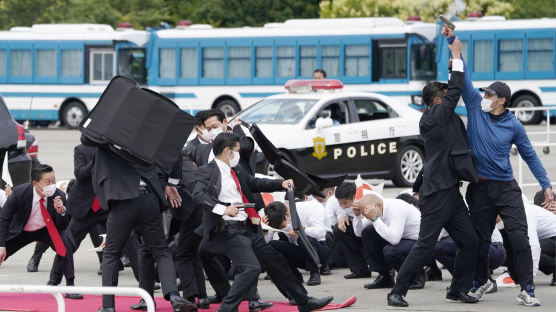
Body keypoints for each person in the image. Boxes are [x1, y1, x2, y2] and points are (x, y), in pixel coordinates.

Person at [442, 25, 554, 306]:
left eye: (491, 96)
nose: (485, 98)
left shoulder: (514, 124)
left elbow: (529, 155)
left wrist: (546, 185)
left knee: (518, 238)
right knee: (479, 241)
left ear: (502, 101)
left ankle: (527, 289)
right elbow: (463, 75)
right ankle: (481, 282)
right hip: (479, 188)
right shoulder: (474, 107)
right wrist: (452, 41)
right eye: (485, 94)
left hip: (506, 189)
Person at [192, 132, 333, 312]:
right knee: (251, 268)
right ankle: (226, 309)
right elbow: (198, 195)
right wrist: (222, 208)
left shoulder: (236, 170)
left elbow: (254, 183)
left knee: (276, 262)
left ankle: (303, 302)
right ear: (227, 151)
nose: (238, 155)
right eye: (236, 151)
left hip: (248, 227)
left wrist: (280, 184)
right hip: (227, 230)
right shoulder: (207, 171)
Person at [388, 37, 480, 307]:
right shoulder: (433, 117)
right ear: (437, 100)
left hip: (450, 192)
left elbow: (457, 88)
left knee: (470, 241)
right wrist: (456, 55)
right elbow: (454, 91)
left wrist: (454, 63)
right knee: (425, 246)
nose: (451, 98)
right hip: (437, 193)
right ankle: (397, 291)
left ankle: (457, 289)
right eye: (446, 95)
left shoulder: (442, 115)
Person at [81, 135, 196, 312]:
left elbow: (85, 137)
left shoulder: (108, 136)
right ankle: (173, 295)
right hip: (149, 198)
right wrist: (172, 182)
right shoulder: (148, 136)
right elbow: (175, 150)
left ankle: (108, 306)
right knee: (161, 251)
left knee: (111, 253)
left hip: (122, 200)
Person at [0, 164, 80, 298]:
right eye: (47, 182)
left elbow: (63, 226)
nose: (52, 184)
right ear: (35, 183)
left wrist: (61, 211)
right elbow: (4, 218)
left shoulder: (59, 195)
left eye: (54, 180)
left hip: (45, 229)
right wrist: (1, 245)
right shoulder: (20, 192)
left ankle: (69, 285)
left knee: (66, 245)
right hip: (22, 230)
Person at [353, 194, 424, 290]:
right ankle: (385, 277)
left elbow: (394, 240)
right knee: (368, 232)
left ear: (378, 206)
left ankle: (416, 276)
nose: (367, 217)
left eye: (367, 214)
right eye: (365, 215)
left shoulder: (397, 208)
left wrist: (374, 219)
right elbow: (359, 233)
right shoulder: (375, 209)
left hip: (418, 241)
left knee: (390, 251)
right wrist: (357, 216)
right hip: (401, 238)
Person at [265, 198, 329, 286]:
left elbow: (321, 232)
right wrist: (264, 229)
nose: (280, 229)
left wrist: (302, 230)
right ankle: (295, 276)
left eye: (281, 226)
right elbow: (265, 243)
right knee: (273, 245)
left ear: (287, 214)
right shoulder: (275, 217)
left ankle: (315, 273)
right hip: (299, 252)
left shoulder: (311, 207)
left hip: (319, 251)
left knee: (302, 238)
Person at [501, 198, 556, 287]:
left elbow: (533, 246)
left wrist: (528, 280)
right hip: (548, 238)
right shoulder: (514, 210)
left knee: (528, 249)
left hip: (553, 238)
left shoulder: (526, 213)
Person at [435, 228, 506, 294]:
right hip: (487, 250)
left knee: (470, 245)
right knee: (438, 247)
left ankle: (486, 281)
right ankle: (466, 281)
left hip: (494, 248)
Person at [331, 182, 371, 279]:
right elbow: (341, 210)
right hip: (357, 228)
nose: (342, 206)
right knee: (339, 229)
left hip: (370, 231)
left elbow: (362, 230)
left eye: (345, 203)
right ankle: (359, 269)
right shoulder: (341, 202)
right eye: (339, 203)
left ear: (354, 197)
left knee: (367, 231)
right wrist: (342, 216)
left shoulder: (368, 200)